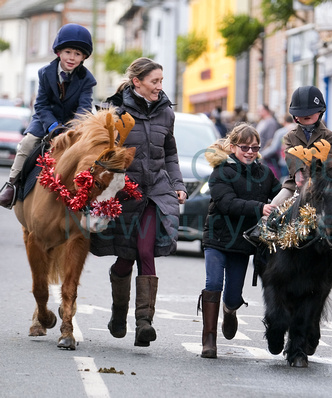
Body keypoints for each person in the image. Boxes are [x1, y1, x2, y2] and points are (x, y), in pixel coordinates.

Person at [90, 57, 187, 347]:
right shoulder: (114, 112)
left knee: (145, 250)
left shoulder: (167, 113)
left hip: (154, 192)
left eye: (161, 81)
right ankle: (119, 313)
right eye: (154, 81)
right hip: (123, 193)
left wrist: (177, 185)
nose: (160, 86)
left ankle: (144, 323)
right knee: (126, 256)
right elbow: (103, 154)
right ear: (137, 83)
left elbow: (170, 154)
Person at [199, 123, 280, 358]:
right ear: (233, 147)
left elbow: (278, 194)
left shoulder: (264, 173)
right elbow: (227, 204)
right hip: (217, 238)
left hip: (243, 243)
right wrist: (260, 207)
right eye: (244, 147)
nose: (250, 152)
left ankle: (230, 310)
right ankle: (209, 340)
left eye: (255, 147)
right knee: (213, 283)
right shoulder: (220, 172)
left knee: (233, 295)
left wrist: (294, 187)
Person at [0, 23, 96, 208]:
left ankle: (86, 192)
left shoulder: (88, 79)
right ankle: (12, 184)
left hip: (72, 124)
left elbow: (84, 108)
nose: (72, 58)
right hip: (45, 119)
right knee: (27, 143)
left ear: (84, 57)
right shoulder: (45, 73)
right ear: (59, 52)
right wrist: (52, 125)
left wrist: (72, 128)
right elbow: (41, 104)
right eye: (68, 52)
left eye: (77, 54)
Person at [272, 86, 332, 206]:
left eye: (311, 112)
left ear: (321, 111)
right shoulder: (289, 137)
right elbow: (289, 156)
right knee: (275, 204)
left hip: (321, 183)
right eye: (302, 113)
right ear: (295, 116)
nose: (306, 115)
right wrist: (298, 173)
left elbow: (327, 160)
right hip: (295, 183)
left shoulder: (331, 137)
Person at [260, 114, 295, 179]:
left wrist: (262, 154)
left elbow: (273, 148)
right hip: (298, 161)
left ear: (284, 122)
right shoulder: (298, 129)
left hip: (285, 161)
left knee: (285, 181)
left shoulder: (281, 132)